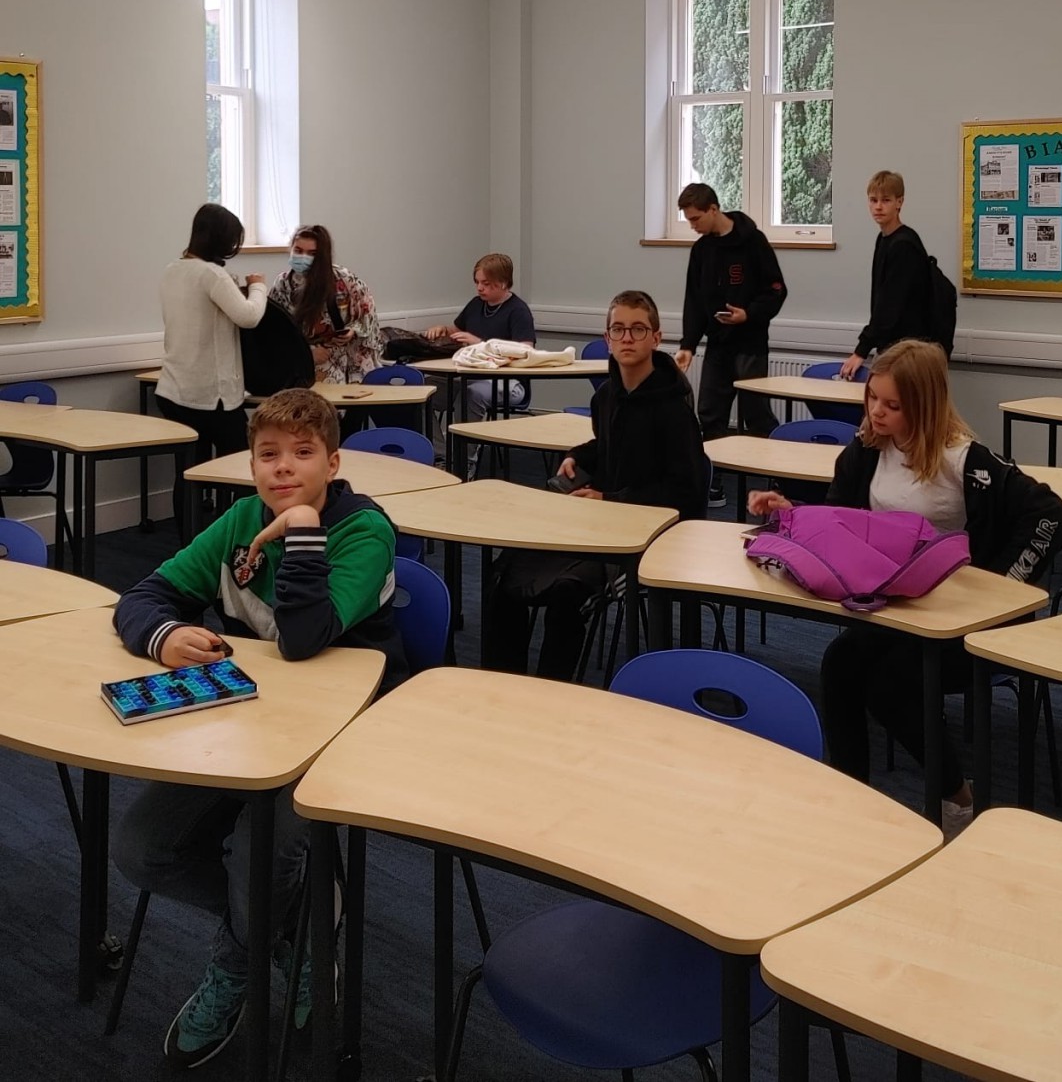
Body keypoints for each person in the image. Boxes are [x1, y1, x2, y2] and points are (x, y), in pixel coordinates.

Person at [111, 387, 406, 1069]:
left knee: (260, 852)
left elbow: (302, 638)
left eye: (302, 453)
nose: (283, 467)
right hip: (251, 716)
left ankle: (237, 960)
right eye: (268, 455)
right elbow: (145, 594)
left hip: (345, 727)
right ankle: (297, 929)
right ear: (250, 466)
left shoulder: (365, 530)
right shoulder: (241, 519)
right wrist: (164, 634)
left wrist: (302, 529)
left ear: (333, 463)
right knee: (140, 849)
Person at [748, 338, 1062, 837]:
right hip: (895, 607)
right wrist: (793, 513)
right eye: (872, 398)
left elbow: (1052, 517)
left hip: (955, 622)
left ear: (923, 406)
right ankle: (850, 794)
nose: (877, 412)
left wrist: (999, 587)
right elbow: (842, 521)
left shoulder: (963, 460)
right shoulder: (866, 451)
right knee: (839, 665)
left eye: (892, 405)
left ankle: (957, 798)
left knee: (890, 684)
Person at [488, 289, 706, 681]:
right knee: (505, 573)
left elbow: (685, 493)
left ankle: (551, 692)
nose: (627, 338)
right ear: (607, 338)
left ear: (656, 338)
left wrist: (610, 499)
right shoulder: (606, 396)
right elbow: (608, 447)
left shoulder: (674, 408)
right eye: (618, 329)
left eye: (638, 329)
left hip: (643, 538)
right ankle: (502, 685)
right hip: (596, 522)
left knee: (566, 592)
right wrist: (579, 456)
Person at [673, 183, 787, 508]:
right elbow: (694, 301)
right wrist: (688, 344)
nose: (693, 225)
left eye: (696, 219)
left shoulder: (753, 241)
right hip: (718, 346)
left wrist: (748, 314)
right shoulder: (701, 250)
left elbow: (777, 290)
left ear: (713, 209)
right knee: (710, 414)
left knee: (756, 415)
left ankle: (775, 482)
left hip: (750, 343)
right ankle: (715, 482)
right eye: (688, 220)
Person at [156, 205, 268, 513]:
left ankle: (190, 537)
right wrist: (258, 286)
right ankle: (239, 532)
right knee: (243, 467)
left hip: (174, 389)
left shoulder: (172, 270)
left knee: (190, 473)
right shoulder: (212, 275)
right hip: (211, 396)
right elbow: (248, 316)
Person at [839, 171, 933, 381]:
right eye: (873, 200)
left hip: (908, 350)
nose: (878, 207)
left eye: (886, 200)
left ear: (899, 202)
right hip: (891, 345)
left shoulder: (904, 245)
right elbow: (881, 301)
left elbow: (890, 305)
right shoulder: (883, 239)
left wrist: (861, 351)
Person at [426, 252, 536, 423]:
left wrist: (480, 344)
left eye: (486, 283)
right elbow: (457, 332)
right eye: (477, 282)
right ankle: (436, 442)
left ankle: (463, 441)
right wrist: (443, 330)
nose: (479, 288)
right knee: (423, 390)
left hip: (508, 382)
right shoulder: (475, 304)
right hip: (469, 376)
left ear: (503, 282)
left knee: (471, 394)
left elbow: (526, 352)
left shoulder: (518, 311)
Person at [269, 224, 381, 385]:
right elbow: (276, 329)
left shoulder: (343, 279)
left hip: (346, 356)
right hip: (305, 357)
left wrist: (352, 331)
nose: (303, 257)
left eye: (312, 254)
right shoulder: (282, 284)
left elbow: (367, 310)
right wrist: (308, 353)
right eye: (298, 251)